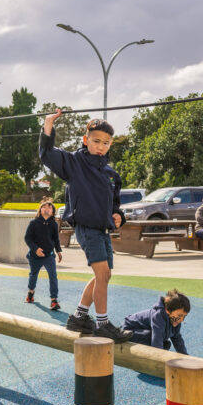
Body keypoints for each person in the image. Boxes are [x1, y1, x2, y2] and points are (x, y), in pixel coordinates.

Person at [39, 110, 132, 342]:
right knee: (103, 274)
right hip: (85, 227)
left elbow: (115, 204)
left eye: (106, 143)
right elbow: (47, 153)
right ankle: (103, 323)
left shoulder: (111, 174)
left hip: (102, 229)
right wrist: (48, 124)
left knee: (105, 276)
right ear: (85, 140)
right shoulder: (74, 163)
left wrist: (118, 215)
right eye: (96, 141)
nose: (101, 146)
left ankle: (79, 316)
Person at [123, 288, 190, 353]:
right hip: (128, 332)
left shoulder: (175, 320)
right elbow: (157, 340)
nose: (181, 319)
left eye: (184, 316)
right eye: (179, 315)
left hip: (142, 333)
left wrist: (185, 355)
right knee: (153, 337)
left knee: (166, 344)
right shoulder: (158, 316)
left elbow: (177, 339)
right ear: (168, 310)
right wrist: (159, 358)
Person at [24, 199, 63, 310]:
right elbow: (27, 238)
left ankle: (54, 300)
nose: (47, 209)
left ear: (52, 212)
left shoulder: (54, 224)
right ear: (40, 210)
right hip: (34, 256)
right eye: (44, 207)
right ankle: (31, 293)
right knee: (33, 275)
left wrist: (59, 251)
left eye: (50, 208)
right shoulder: (33, 223)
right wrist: (36, 249)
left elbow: (56, 239)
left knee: (53, 275)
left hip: (49, 255)